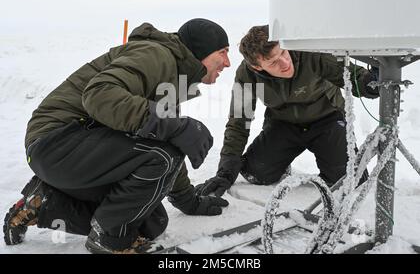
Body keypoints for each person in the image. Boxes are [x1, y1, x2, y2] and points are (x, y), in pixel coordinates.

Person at [3, 18, 231, 254]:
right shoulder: (156, 54)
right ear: (200, 51)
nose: (228, 62)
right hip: (57, 139)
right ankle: (109, 241)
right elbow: (99, 95)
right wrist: (177, 127)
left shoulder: (173, 74)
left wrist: (188, 201)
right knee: (161, 158)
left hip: (70, 149)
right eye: (222, 52)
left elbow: (162, 139)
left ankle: (45, 204)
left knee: (150, 221)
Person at [197, 25, 379, 198]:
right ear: (257, 67)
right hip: (283, 124)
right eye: (274, 62)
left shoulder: (310, 53)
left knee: (349, 180)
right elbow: (239, 120)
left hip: (328, 119)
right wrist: (226, 171)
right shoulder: (247, 74)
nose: (284, 63)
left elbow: (350, 75)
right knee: (256, 174)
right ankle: (280, 162)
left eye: (283, 53)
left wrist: (369, 82)